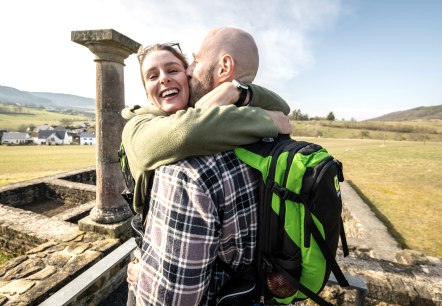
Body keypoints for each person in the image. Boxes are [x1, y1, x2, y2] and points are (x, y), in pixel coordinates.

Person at [128, 27, 290, 306]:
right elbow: (185, 133)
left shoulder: (186, 172)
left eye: (177, 68)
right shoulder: (138, 125)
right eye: (152, 76)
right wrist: (271, 121)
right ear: (146, 91)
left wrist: (237, 90)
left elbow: (173, 296)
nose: (166, 78)